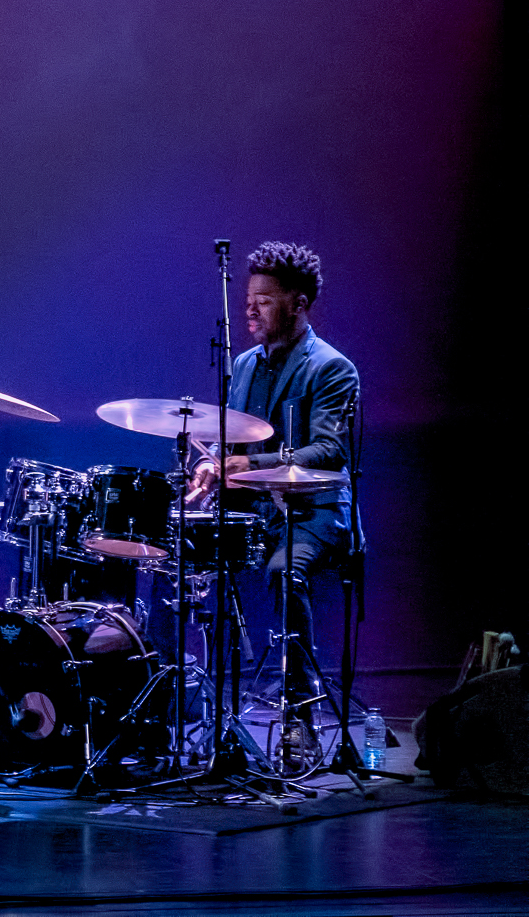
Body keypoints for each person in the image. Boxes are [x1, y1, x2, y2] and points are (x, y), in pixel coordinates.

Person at [187, 243, 356, 732]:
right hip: (257, 510)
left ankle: (302, 711)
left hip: (315, 511)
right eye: (248, 299)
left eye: (264, 300)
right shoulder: (242, 365)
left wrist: (248, 464)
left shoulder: (330, 368)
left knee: (285, 573)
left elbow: (328, 452)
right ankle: (190, 707)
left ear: (298, 303)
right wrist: (213, 467)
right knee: (175, 549)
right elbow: (232, 444)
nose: (249, 309)